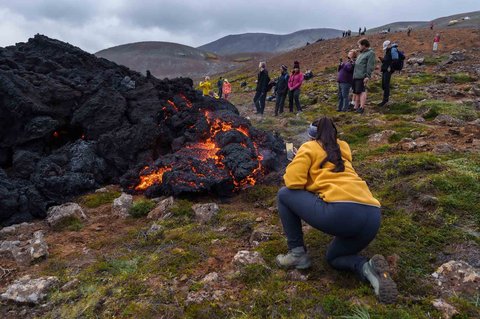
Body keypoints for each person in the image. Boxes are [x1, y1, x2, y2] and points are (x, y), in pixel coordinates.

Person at [275, 117, 398, 304]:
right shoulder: (342, 150)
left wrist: (296, 160)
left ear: (311, 137)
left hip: (342, 213)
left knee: (284, 195)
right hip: (372, 215)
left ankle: (297, 254)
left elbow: (293, 182)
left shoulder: (308, 148)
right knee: (334, 258)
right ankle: (367, 268)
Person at [352, 38, 376, 114]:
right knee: (357, 92)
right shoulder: (361, 53)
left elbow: (370, 66)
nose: (358, 47)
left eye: (359, 45)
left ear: (364, 45)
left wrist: (367, 76)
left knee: (362, 91)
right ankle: (356, 107)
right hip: (356, 75)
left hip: (362, 76)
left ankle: (362, 107)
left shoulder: (370, 53)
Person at [378, 40, 398, 107]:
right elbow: (387, 61)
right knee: (384, 85)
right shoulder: (388, 51)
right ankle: (385, 99)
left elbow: (395, 60)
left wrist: (390, 67)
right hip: (385, 70)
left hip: (388, 70)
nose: (385, 48)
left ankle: (385, 100)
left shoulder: (392, 50)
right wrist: (382, 59)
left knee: (386, 85)